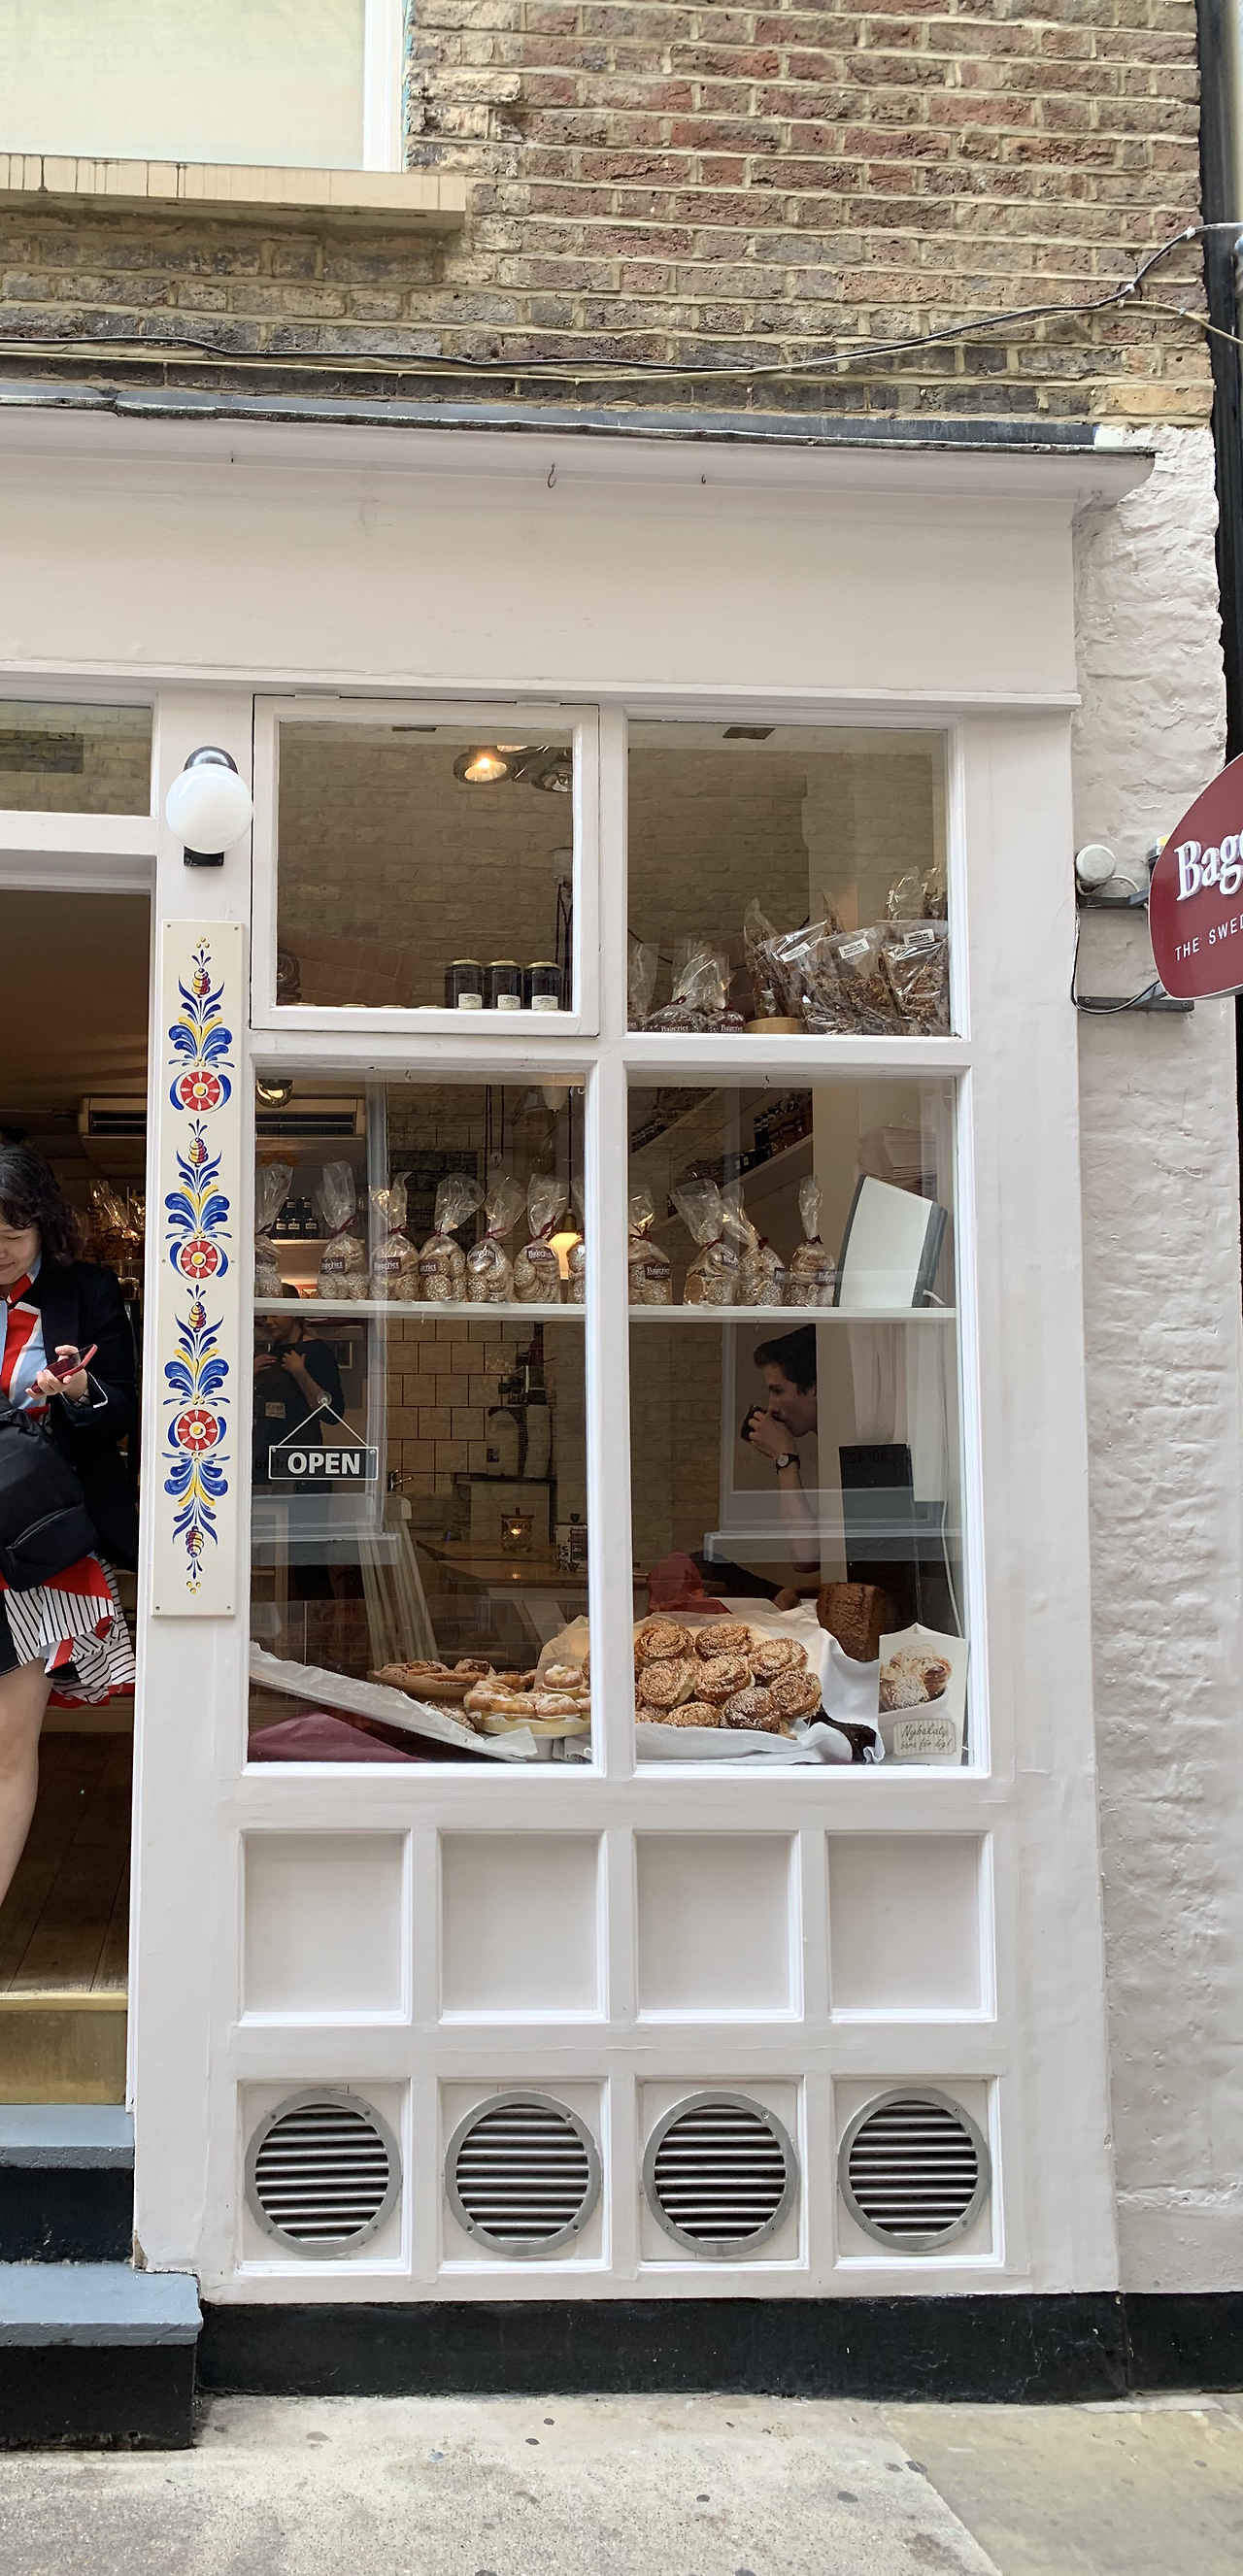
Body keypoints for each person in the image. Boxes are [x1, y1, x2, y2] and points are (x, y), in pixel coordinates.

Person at [0, 1146, 138, 1907]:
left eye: (14, 1233)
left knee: (8, 1742)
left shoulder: (85, 1291)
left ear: (44, 1228)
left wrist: (81, 1388)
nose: (0, 1248)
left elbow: (126, 1408)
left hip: (34, 1538)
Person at [744, 1323, 820, 1578]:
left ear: (814, 1388)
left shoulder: (848, 1444)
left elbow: (807, 1555)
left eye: (778, 1391)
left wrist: (784, 1458)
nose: (771, 1407)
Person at [252, 1312, 344, 1486]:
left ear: (292, 1314)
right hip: (265, 1455)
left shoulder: (318, 1351)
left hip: (302, 1457)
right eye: (264, 1317)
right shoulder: (269, 1353)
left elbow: (333, 1414)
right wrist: (247, 1374)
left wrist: (301, 1374)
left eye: (275, 1315)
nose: (268, 1322)